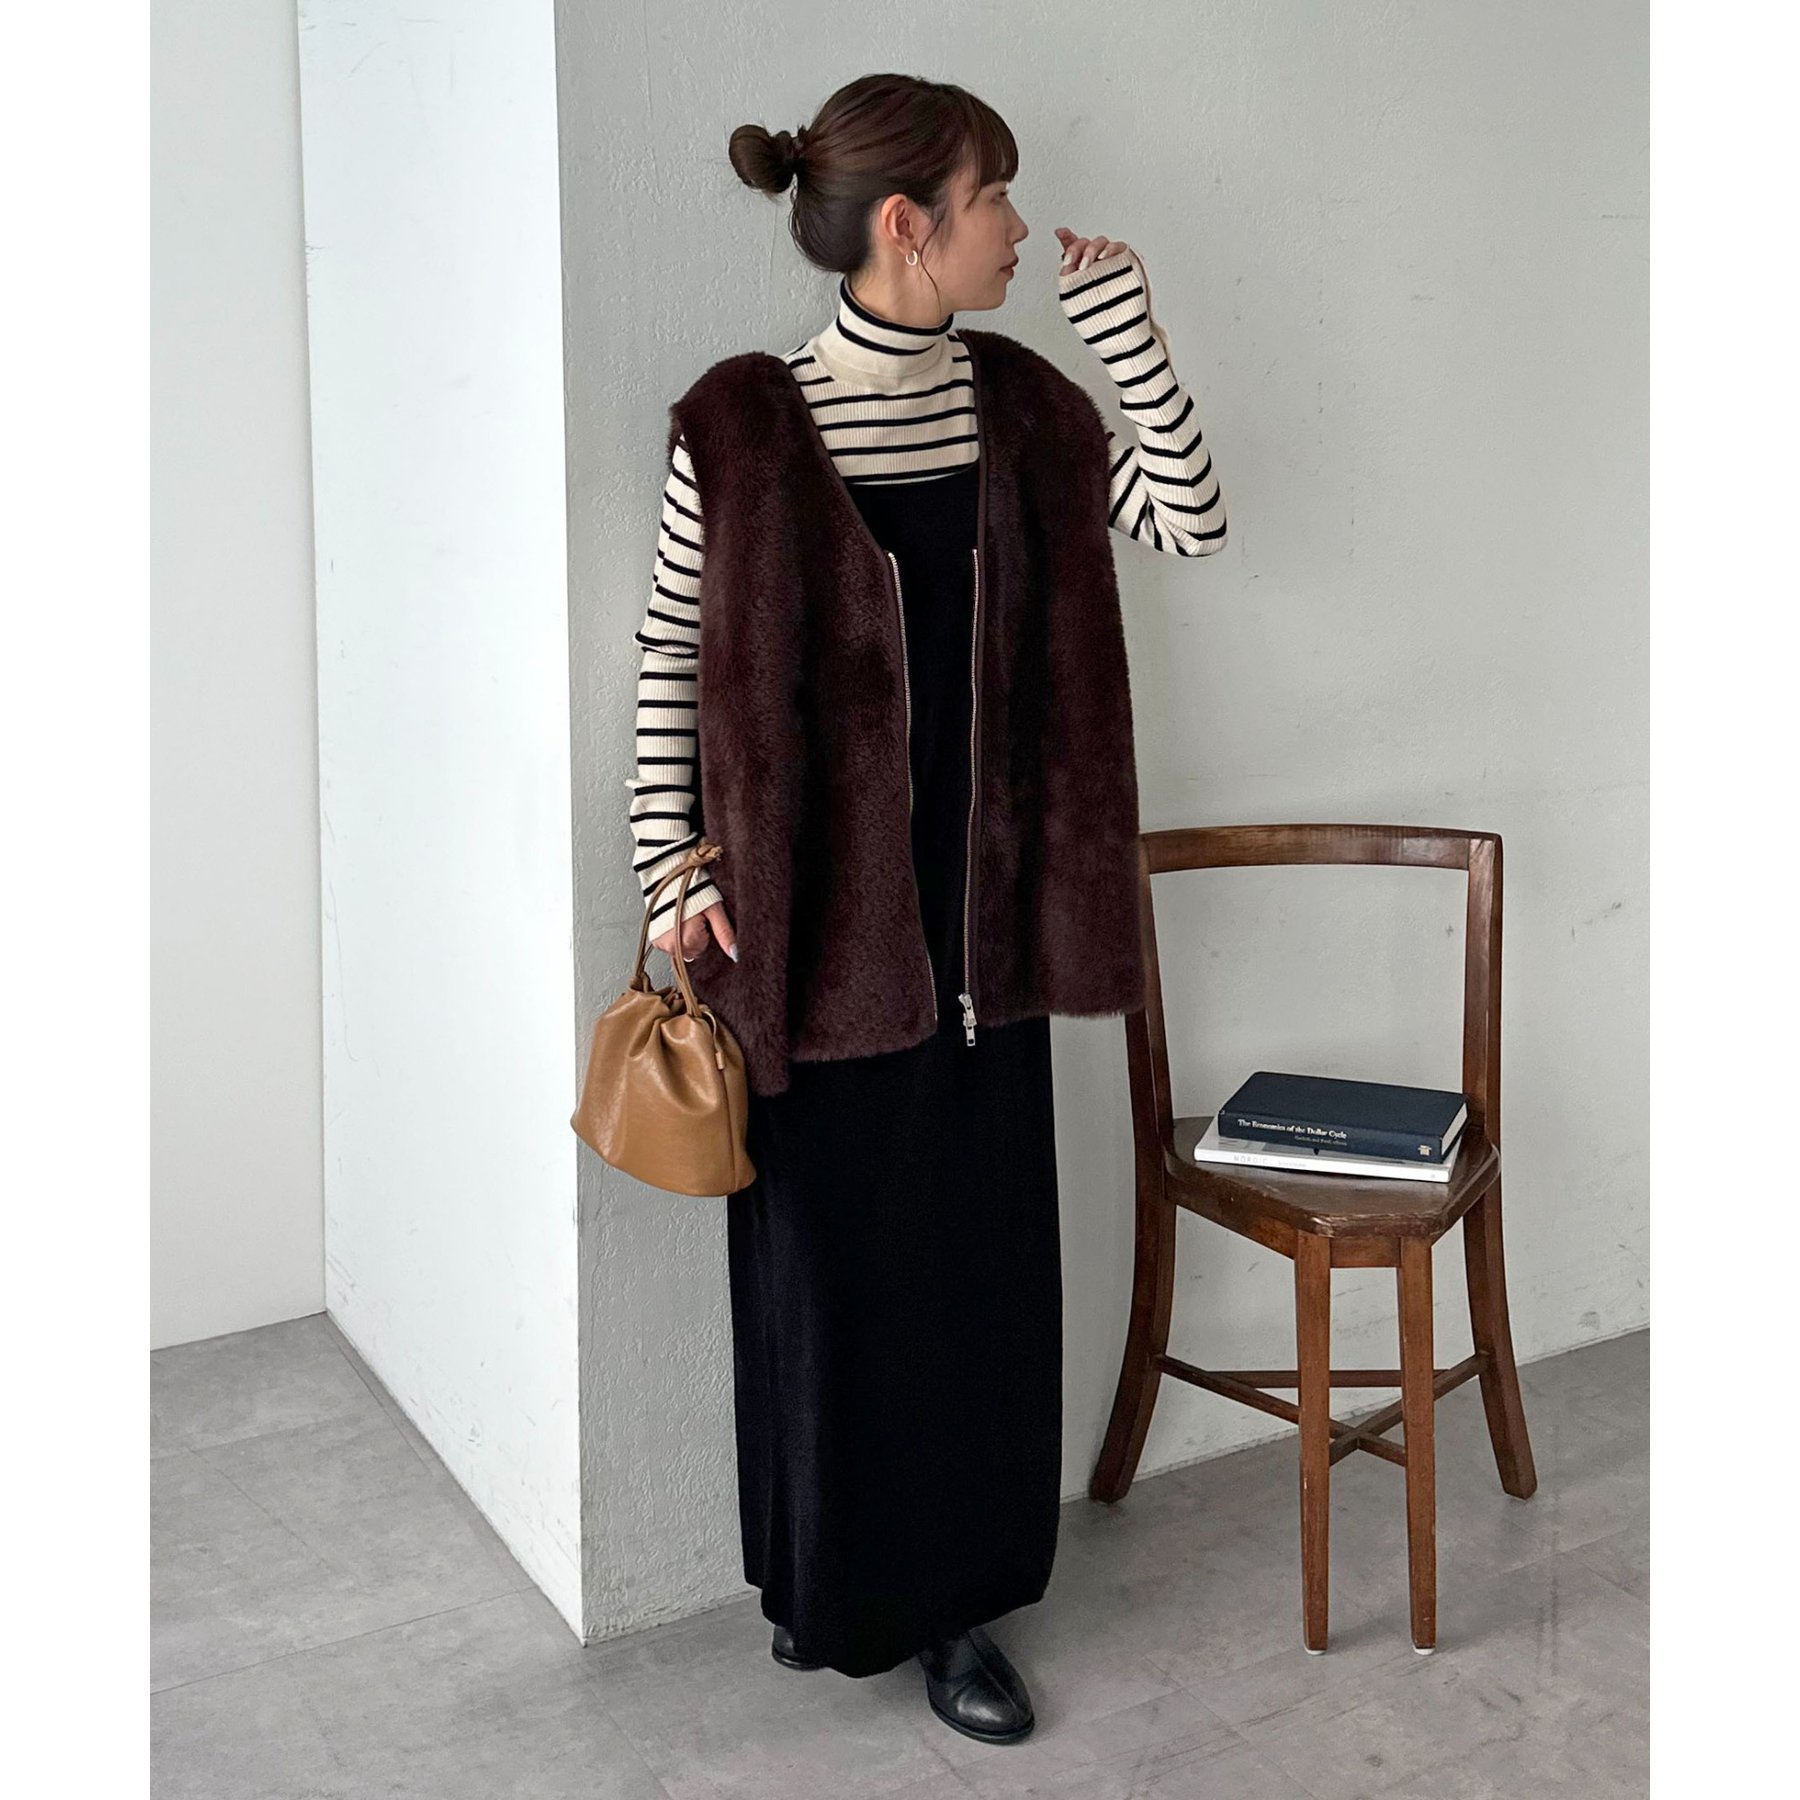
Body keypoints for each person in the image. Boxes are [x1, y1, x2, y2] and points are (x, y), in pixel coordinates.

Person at [623, 74, 1227, 1744]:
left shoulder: (1024, 408)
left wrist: (1129, 339)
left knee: (974, 1290)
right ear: (911, 224)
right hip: (809, 941)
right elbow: (670, 656)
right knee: (825, 1288)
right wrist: (670, 870)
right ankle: (824, 1592)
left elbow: (1187, 519)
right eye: (996, 200)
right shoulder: (741, 427)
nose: (1019, 229)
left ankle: (958, 1614)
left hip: (994, 939)